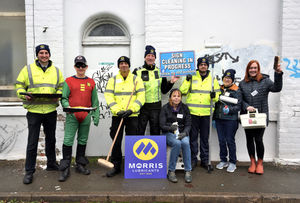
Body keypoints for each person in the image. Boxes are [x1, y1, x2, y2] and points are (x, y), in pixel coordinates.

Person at [15, 44, 64, 184]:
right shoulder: (27, 69)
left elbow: (62, 86)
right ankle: (29, 171)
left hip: (50, 111)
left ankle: (51, 164)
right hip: (34, 111)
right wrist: (24, 95)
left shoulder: (56, 70)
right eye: (41, 53)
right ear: (37, 55)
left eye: (46, 53)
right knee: (32, 142)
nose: (44, 55)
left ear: (49, 54)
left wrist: (58, 95)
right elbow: (18, 85)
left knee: (51, 140)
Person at [59, 55, 100, 182]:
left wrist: (95, 115)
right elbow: (64, 98)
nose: (80, 68)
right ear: (75, 67)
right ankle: (65, 168)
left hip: (86, 116)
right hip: (72, 116)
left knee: (82, 140)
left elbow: (95, 101)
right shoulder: (69, 81)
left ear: (86, 67)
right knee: (68, 140)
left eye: (82, 65)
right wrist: (68, 107)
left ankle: (80, 164)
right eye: (78, 65)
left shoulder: (91, 82)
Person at [239, 60, 283, 175]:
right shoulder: (243, 83)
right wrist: (246, 106)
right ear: (247, 69)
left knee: (258, 140)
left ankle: (260, 163)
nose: (253, 70)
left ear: (258, 69)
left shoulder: (265, 81)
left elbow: (277, 88)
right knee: (249, 140)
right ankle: (252, 162)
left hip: (261, 116)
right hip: (247, 117)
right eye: (251, 68)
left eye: (255, 68)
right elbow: (240, 99)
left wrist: (278, 74)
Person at [104, 56, 145, 177]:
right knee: (116, 141)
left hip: (132, 115)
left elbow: (141, 97)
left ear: (129, 65)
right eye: (121, 63)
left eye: (125, 63)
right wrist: (117, 110)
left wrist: (132, 109)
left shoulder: (136, 79)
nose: (123, 65)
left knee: (132, 141)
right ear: (118, 66)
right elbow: (109, 96)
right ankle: (116, 166)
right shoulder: (113, 80)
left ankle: (131, 166)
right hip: (118, 115)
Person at [180, 57, 221, 170]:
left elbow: (217, 96)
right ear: (198, 66)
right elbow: (182, 91)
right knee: (192, 138)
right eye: (201, 64)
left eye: (205, 64)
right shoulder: (191, 76)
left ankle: (205, 160)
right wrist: (187, 80)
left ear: (207, 66)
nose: (203, 66)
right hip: (192, 113)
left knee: (204, 138)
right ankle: (193, 160)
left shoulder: (213, 79)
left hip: (206, 114)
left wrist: (215, 96)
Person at [133, 45, 179, 135]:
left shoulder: (160, 72)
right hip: (142, 107)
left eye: (152, 56)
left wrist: (171, 82)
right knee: (139, 130)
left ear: (155, 58)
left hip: (156, 107)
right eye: (148, 55)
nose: (150, 58)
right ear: (145, 57)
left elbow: (164, 90)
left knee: (155, 131)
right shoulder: (137, 71)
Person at [160, 88, 192, 183]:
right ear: (170, 97)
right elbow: (162, 125)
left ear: (181, 98)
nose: (176, 98)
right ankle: (171, 171)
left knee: (186, 143)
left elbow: (188, 124)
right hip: (169, 133)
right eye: (174, 96)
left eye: (178, 96)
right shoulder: (165, 108)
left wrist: (185, 133)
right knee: (177, 143)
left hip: (182, 132)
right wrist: (170, 128)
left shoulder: (185, 108)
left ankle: (188, 170)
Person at [214, 69, 241, 173]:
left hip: (231, 120)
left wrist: (230, 110)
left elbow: (238, 106)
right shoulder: (219, 89)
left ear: (232, 80)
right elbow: (216, 104)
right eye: (225, 78)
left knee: (230, 140)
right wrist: (214, 117)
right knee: (221, 141)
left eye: (229, 78)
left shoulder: (236, 90)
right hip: (219, 119)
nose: (227, 79)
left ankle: (233, 162)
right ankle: (223, 160)